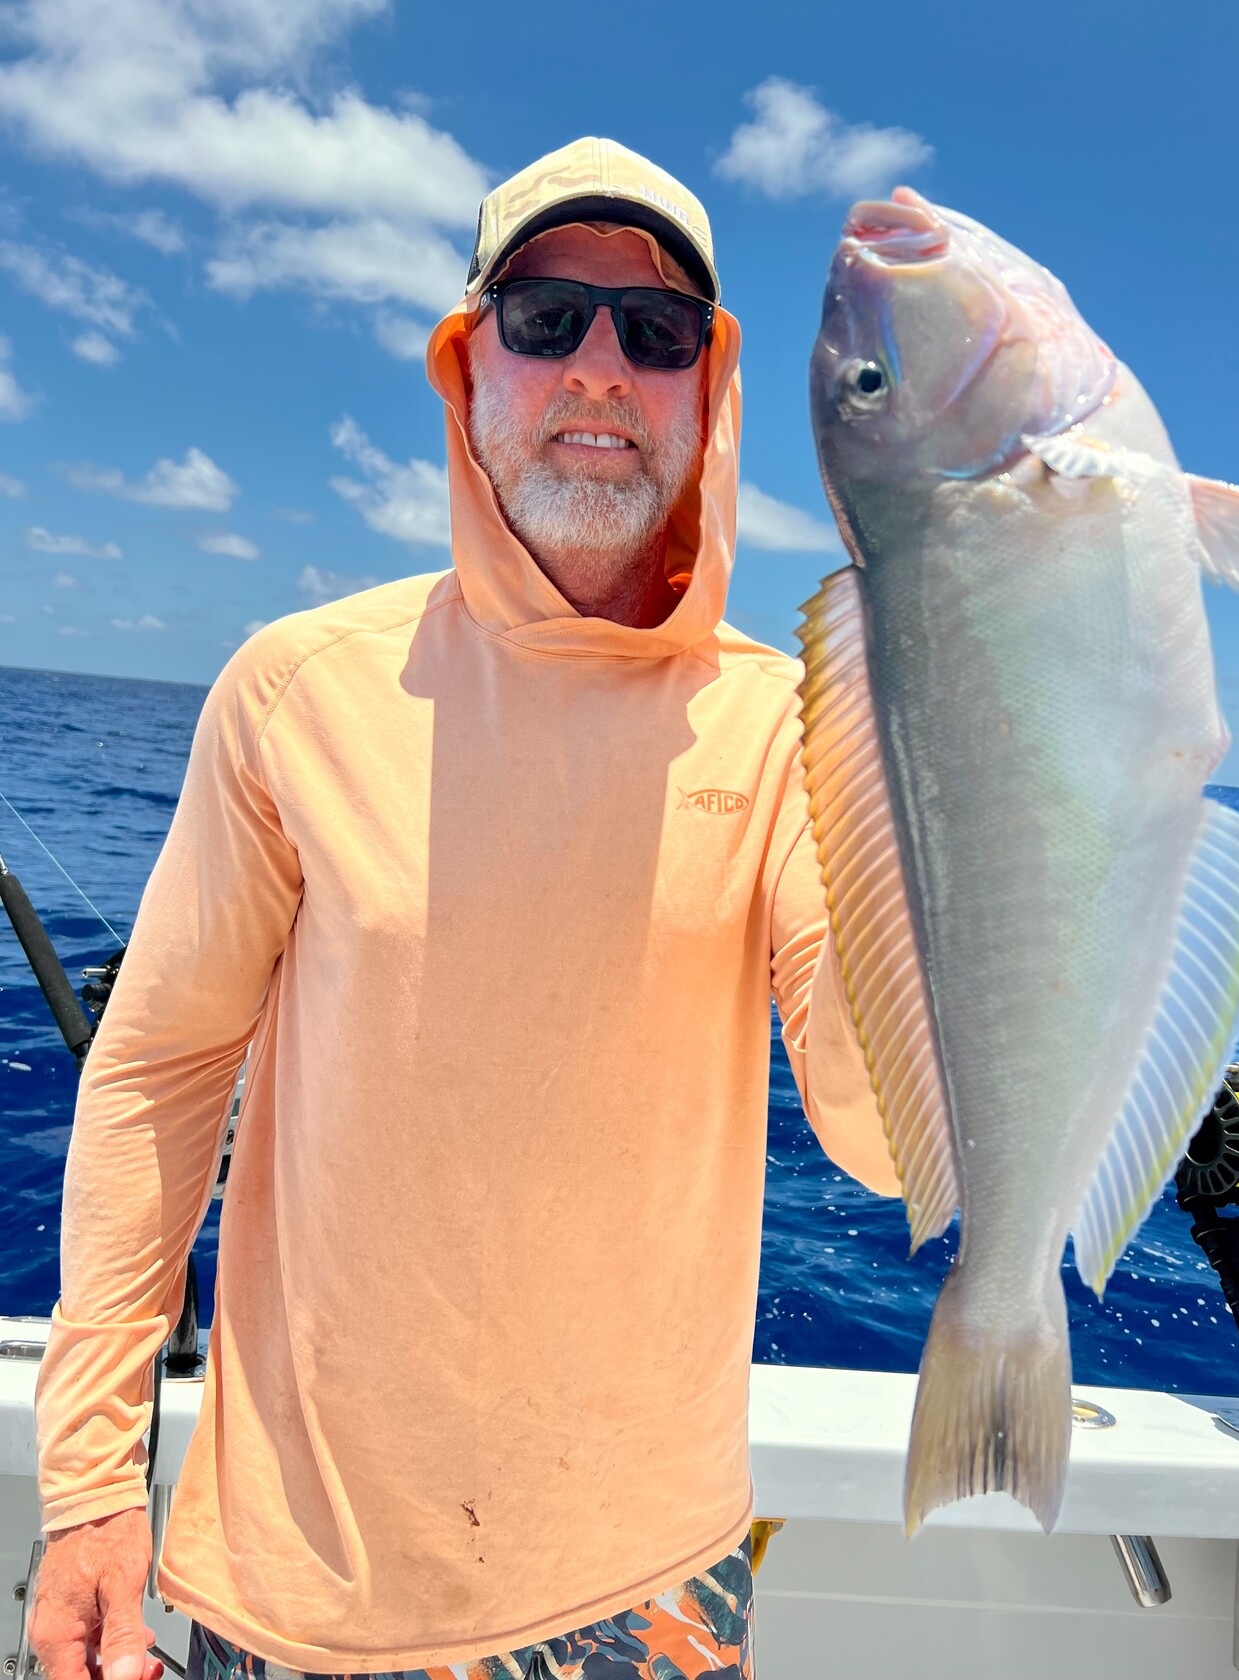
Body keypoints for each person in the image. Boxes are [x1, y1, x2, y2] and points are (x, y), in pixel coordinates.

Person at [28, 136, 897, 1680]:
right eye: (547, 317)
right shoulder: (296, 689)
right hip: (299, 1588)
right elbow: (157, 1073)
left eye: (658, 331)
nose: (601, 371)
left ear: (714, 387)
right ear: (466, 365)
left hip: (656, 1584)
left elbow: (879, 1136)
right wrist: (91, 1481)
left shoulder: (798, 732)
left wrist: (985, 815)